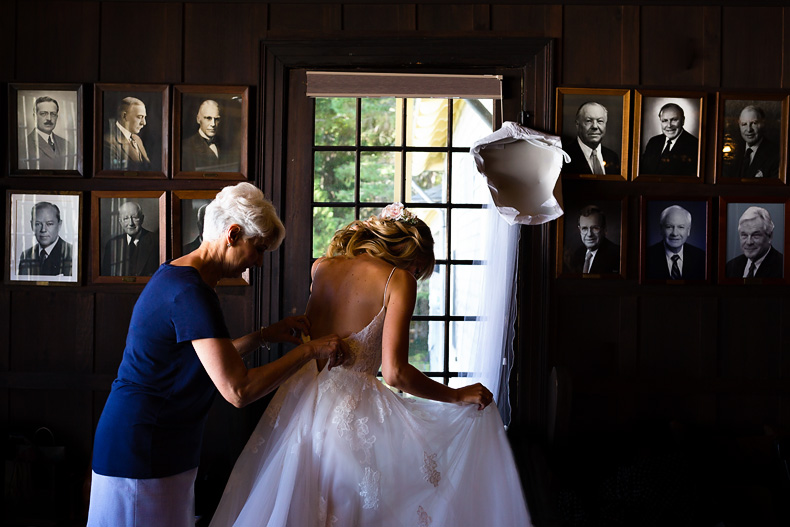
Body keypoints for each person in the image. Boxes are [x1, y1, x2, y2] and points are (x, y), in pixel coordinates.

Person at [208, 202, 531, 527]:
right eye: (420, 269)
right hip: (348, 422)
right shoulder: (398, 280)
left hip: (297, 406)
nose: (417, 276)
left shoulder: (322, 267)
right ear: (412, 255)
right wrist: (457, 396)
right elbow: (395, 373)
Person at [87, 182, 348, 527]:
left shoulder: (180, 277)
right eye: (258, 249)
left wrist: (264, 336)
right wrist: (309, 351)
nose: (257, 261)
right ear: (233, 233)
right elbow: (238, 391)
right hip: (142, 448)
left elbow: (206, 361)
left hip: (159, 443)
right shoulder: (189, 292)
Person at [645, 205, 705, 280]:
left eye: (681, 227)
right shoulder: (645, 257)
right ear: (661, 229)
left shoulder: (702, 258)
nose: (675, 233)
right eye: (669, 227)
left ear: (688, 230)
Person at [100, 201, 159, 277]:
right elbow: (106, 277)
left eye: (134, 217)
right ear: (120, 222)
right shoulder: (112, 244)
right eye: (125, 218)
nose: (130, 223)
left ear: (142, 219)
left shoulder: (156, 241)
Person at [639, 102, 699, 176]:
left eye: (674, 120)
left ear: (683, 120)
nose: (669, 125)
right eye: (664, 121)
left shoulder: (695, 145)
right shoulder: (653, 142)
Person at [562, 101, 621, 175]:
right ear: (577, 124)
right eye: (589, 121)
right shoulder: (563, 156)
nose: (595, 126)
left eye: (600, 121)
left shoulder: (612, 157)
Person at [725, 206, 784, 279]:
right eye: (744, 235)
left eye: (756, 235)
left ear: (770, 236)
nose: (749, 242)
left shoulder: (784, 267)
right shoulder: (731, 267)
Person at [723, 105, 780, 179]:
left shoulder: (776, 155)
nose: (749, 129)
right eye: (744, 124)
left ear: (763, 124)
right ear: (739, 125)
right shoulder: (733, 152)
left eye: (754, 123)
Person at [17, 201, 73, 276]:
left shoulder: (71, 253)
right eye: (38, 224)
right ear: (31, 225)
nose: (43, 229)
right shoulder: (26, 255)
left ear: (59, 225)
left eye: (49, 224)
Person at [182, 99, 238, 172]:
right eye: (208, 118)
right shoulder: (186, 146)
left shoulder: (225, 143)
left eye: (216, 119)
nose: (213, 124)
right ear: (198, 119)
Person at [19, 96, 73, 170]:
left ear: (57, 117)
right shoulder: (23, 145)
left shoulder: (66, 144)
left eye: (53, 114)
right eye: (43, 114)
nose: (49, 119)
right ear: (35, 116)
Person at [565, 205, 620, 274]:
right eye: (584, 228)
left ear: (604, 229)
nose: (589, 234)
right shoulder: (578, 254)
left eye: (595, 228)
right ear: (580, 230)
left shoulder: (617, 255)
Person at [104, 96, 152, 172]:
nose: (144, 123)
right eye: (140, 117)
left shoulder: (137, 139)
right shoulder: (108, 142)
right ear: (124, 116)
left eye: (144, 117)